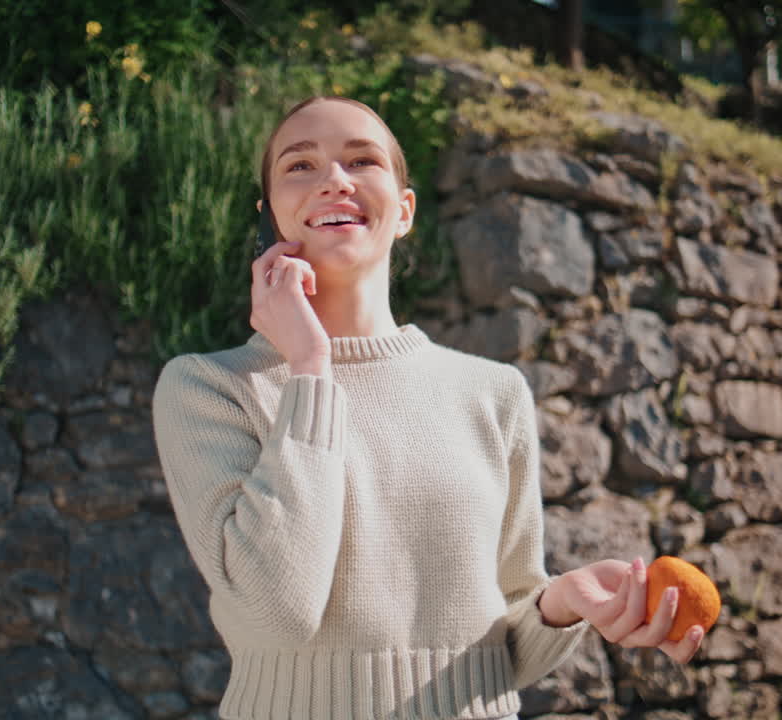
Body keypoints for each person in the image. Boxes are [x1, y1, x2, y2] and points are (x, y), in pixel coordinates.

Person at [151, 95, 704, 720]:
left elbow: (504, 649)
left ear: (405, 211)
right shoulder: (208, 388)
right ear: (271, 216)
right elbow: (276, 613)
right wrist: (309, 367)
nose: (334, 179)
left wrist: (561, 603)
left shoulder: (493, 393)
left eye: (361, 160)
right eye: (299, 166)